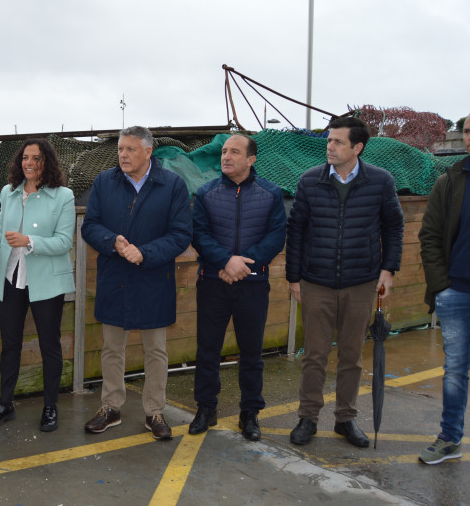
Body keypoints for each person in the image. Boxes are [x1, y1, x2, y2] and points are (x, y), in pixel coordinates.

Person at [286, 116, 403, 448]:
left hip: (361, 283)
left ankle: (345, 419)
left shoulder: (380, 181)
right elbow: (295, 230)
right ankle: (307, 418)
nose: (330, 147)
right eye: (328, 141)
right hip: (317, 282)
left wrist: (388, 269)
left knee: (351, 355)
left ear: (357, 147)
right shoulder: (310, 181)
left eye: (338, 142)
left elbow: (394, 227)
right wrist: (294, 277)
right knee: (315, 354)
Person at [80, 125, 192, 440]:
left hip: (154, 278)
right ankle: (110, 408)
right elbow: (90, 226)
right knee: (112, 348)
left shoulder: (173, 185)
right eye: (120, 149)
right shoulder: (104, 181)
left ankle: (154, 412)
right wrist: (112, 240)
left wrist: (145, 253)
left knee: (155, 350)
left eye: (130, 149)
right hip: (114, 277)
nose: (123, 155)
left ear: (148, 152)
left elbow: (182, 234)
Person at [189, 134, 286, 441]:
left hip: (252, 285)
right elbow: (199, 235)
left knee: (252, 353)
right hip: (213, 284)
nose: (226, 156)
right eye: (224, 151)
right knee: (207, 351)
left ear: (251, 159)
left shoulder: (271, 194)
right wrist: (224, 262)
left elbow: (276, 237)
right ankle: (206, 409)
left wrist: (244, 265)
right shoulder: (205, 193)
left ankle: (250, 413)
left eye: (234, 152)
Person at [0, 139, 75, 432]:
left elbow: (64, 242)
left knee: (49, 346)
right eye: (25, 158)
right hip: (11, 279)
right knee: (10, 345)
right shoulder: (9, 192)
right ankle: (6, 404)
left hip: (46, 284)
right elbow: (0, 231)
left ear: (48, 162)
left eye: (37, 158)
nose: (29, 163)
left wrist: (29, 241)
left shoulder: (63, 196)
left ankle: (50, 407)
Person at [417, 114, 470, 464]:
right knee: (455, 371)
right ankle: (450, 438)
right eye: (467, 130)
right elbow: (430, 236)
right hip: (457, 292)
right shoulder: (449, 181)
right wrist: (442, 286)